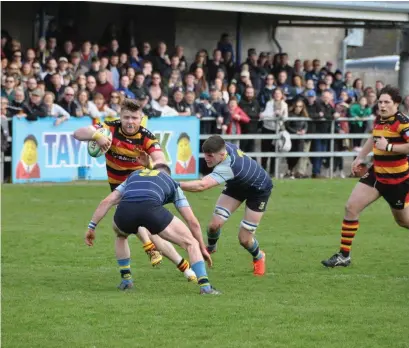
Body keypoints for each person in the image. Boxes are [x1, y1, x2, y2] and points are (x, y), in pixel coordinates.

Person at [73, 98, 197, 281]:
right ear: (120, 116)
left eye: (134, 118)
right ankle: (183, 267)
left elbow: (160, 159)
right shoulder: (109, 129)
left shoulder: (146, 136)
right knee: (137, 230)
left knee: (126, 231)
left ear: (141, 118)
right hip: (118, 188)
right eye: (126, 117)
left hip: (140, 188)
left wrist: (154, 165)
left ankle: (138, 266)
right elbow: (78, 133)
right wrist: (96, 136)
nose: (130, 122)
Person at [84, 163, 220, 295]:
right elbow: (192, 222)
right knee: (191, 243)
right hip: (151, 209)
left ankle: (126, 280)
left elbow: (107, 201)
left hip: (125, 211)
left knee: (121, 235)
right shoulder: (171, 182)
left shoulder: (134, 175)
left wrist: (91, 227)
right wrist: (202, 247)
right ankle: (205, 287)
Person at [322, 86, 409, 268]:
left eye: (387, 102)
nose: (382, 106)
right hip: (377, 174)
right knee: (351, 207)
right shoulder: (380, 119)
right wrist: (360, 156)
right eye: (380, 102)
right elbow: (373, 138)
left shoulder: (403, 123)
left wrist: (390, 147)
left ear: (397, 104)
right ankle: (344, 255)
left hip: (397, 181)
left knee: (403, 221)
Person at [180, 135, 273, 276]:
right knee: (213, 226)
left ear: (222, 154)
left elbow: (201, 185)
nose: (206, 158)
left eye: (210, 156)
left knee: (244, 239)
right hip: (237, 185)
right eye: (205, 154)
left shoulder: (228, 166)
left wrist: (174, 185)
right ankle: (210, 248)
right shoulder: (223, 147)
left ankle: (259, 256)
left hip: (258, 190)